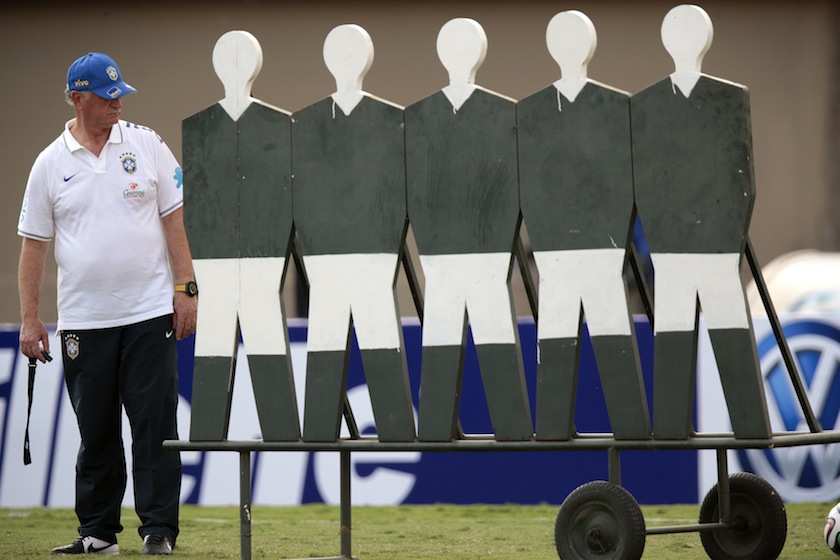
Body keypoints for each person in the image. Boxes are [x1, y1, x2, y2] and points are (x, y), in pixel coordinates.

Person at [17, 52, 196, 555]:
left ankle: (158, 530)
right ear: (78, 98)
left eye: (121, 93)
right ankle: (98, 532)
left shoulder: (147, 143)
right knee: (95, 431)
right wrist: (31, 319)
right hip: (83, 321)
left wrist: (185, 288)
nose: (118, 102)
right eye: (106, 94)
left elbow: (174, 221)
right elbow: (34, 247)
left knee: (154, 428)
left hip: (148, 314)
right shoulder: (49, 164)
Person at [631, 5, 771, 439]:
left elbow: (740, 183)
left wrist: (721, 234)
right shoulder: (648, 105)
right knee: (674, 343)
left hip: (712, 248)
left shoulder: (725, 99)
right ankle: (674, 428)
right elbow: (645, 185)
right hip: (671, 252)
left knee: (732, 338)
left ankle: (751, 426)